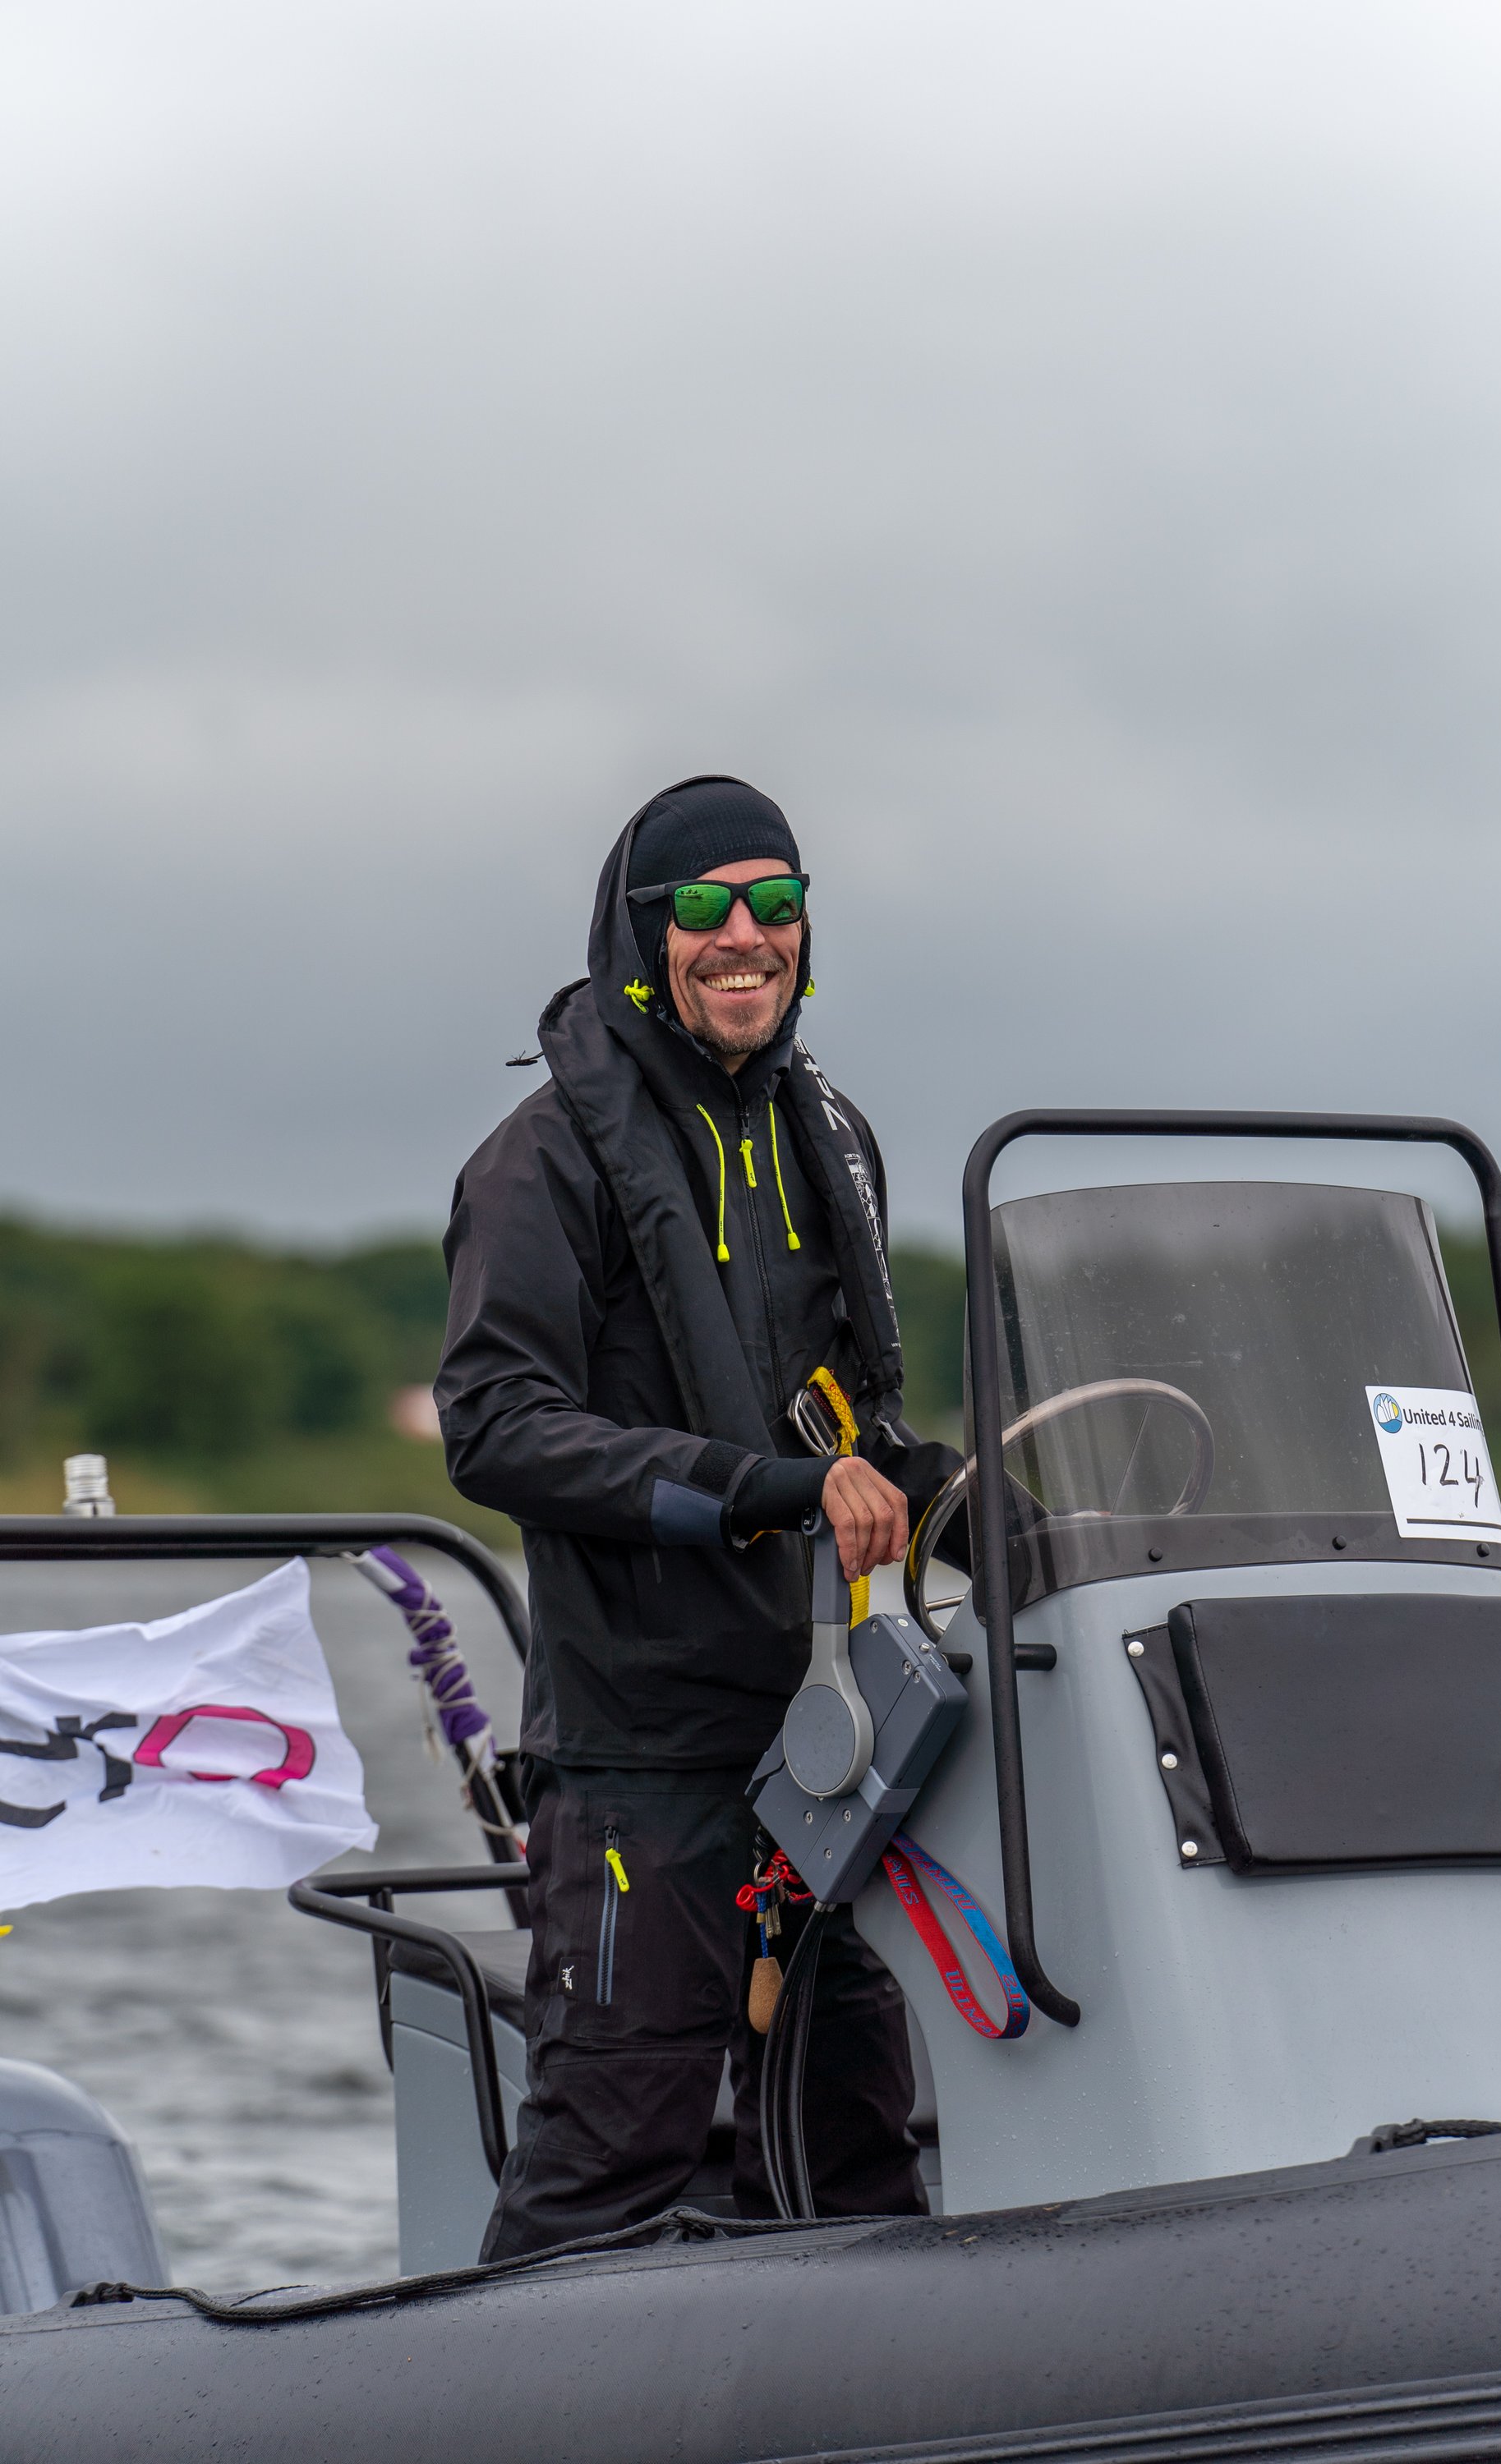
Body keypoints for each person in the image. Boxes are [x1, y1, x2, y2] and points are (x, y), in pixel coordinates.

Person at [436, 775, 963, 2259]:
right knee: (613, 2155)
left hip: (829, 1750)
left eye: (775, 904)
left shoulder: (830, 1138)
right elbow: (496, 1427)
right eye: (705, 910)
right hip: (641, 1754)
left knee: (860, 2147)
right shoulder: (542, 1158)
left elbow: (851, 1428)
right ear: (641, 936)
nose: (745, 937)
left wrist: (991, 1501)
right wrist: (763, 1489)